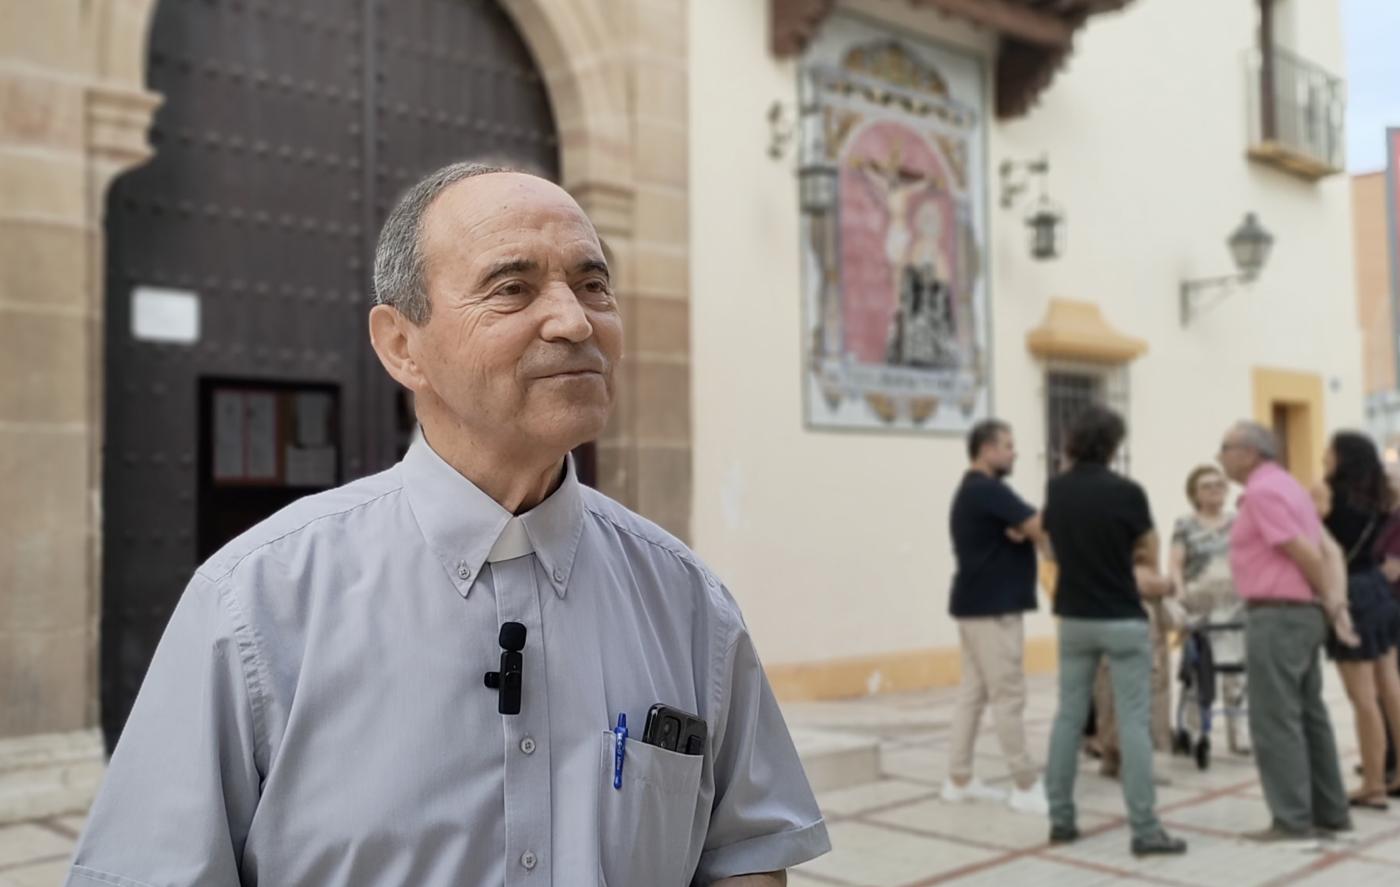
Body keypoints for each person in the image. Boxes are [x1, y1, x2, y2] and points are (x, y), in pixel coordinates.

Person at [66, 163, 830, 886]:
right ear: (403, 346)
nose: (573, 320)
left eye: (593, 283)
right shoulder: (255, 602)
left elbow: (746, 848)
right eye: (512, 287)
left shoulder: (690, 603)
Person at [1041, 405, 1187, 857]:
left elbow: (1050, 545)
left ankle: (1062, 819)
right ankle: (1145, 829)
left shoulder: (1056, 489)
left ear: (1072, 441)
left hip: (1074, 618)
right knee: (1133, 722)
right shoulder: (1128, 492)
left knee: (1068, 717)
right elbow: (1146, 551)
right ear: (1113, 444)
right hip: (1123, 617)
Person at [1217, 421, 1358, 844]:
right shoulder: (1289, 486)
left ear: (1248, 453)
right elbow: (1327, 548)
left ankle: (1292, 819)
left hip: (1279, 615)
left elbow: (1306, 552)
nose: (1219, 456)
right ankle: (1330, 812)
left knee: (1275, 719)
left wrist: (1331, 600)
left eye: (1224, 448)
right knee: (1309, 714)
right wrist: (1330, 603)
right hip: (1300, 614)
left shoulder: (1262, 493)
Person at [943, 419, 1047, 815]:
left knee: (974, 693)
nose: (1014, 452)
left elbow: (1028, 528)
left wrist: (1023, 530)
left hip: (974, 606)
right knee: (1008, 695)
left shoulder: (973, 491)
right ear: (986, 450)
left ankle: (959, 778)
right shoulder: (988, 489)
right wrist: (1029, 529)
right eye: (1007, 445)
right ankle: (1025, 784)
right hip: (993, 610)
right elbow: (1039, 525)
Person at [1313, 432, 1400, 808]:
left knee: (1362, 696)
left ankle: (1374, 783)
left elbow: (1310, 538)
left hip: (1349, 592)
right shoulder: (1384, 495)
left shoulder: (1324, 491)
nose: (1322, 455)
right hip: (1379, 588)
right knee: (1391, 688)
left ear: (1341, 457)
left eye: (1328, 450)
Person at [1169, 465, 1248, 757]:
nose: (1215, 490)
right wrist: (1179, 595)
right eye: (1206, 486)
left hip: (1234, 605)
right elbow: (1176, 565)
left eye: (1219, 485)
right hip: (1199, 605)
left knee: (1236, 672)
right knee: (1197, 671)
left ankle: (1238, 734)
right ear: (1194, 493)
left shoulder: (1238, 522)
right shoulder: (1185, 525)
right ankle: (1192, 730)